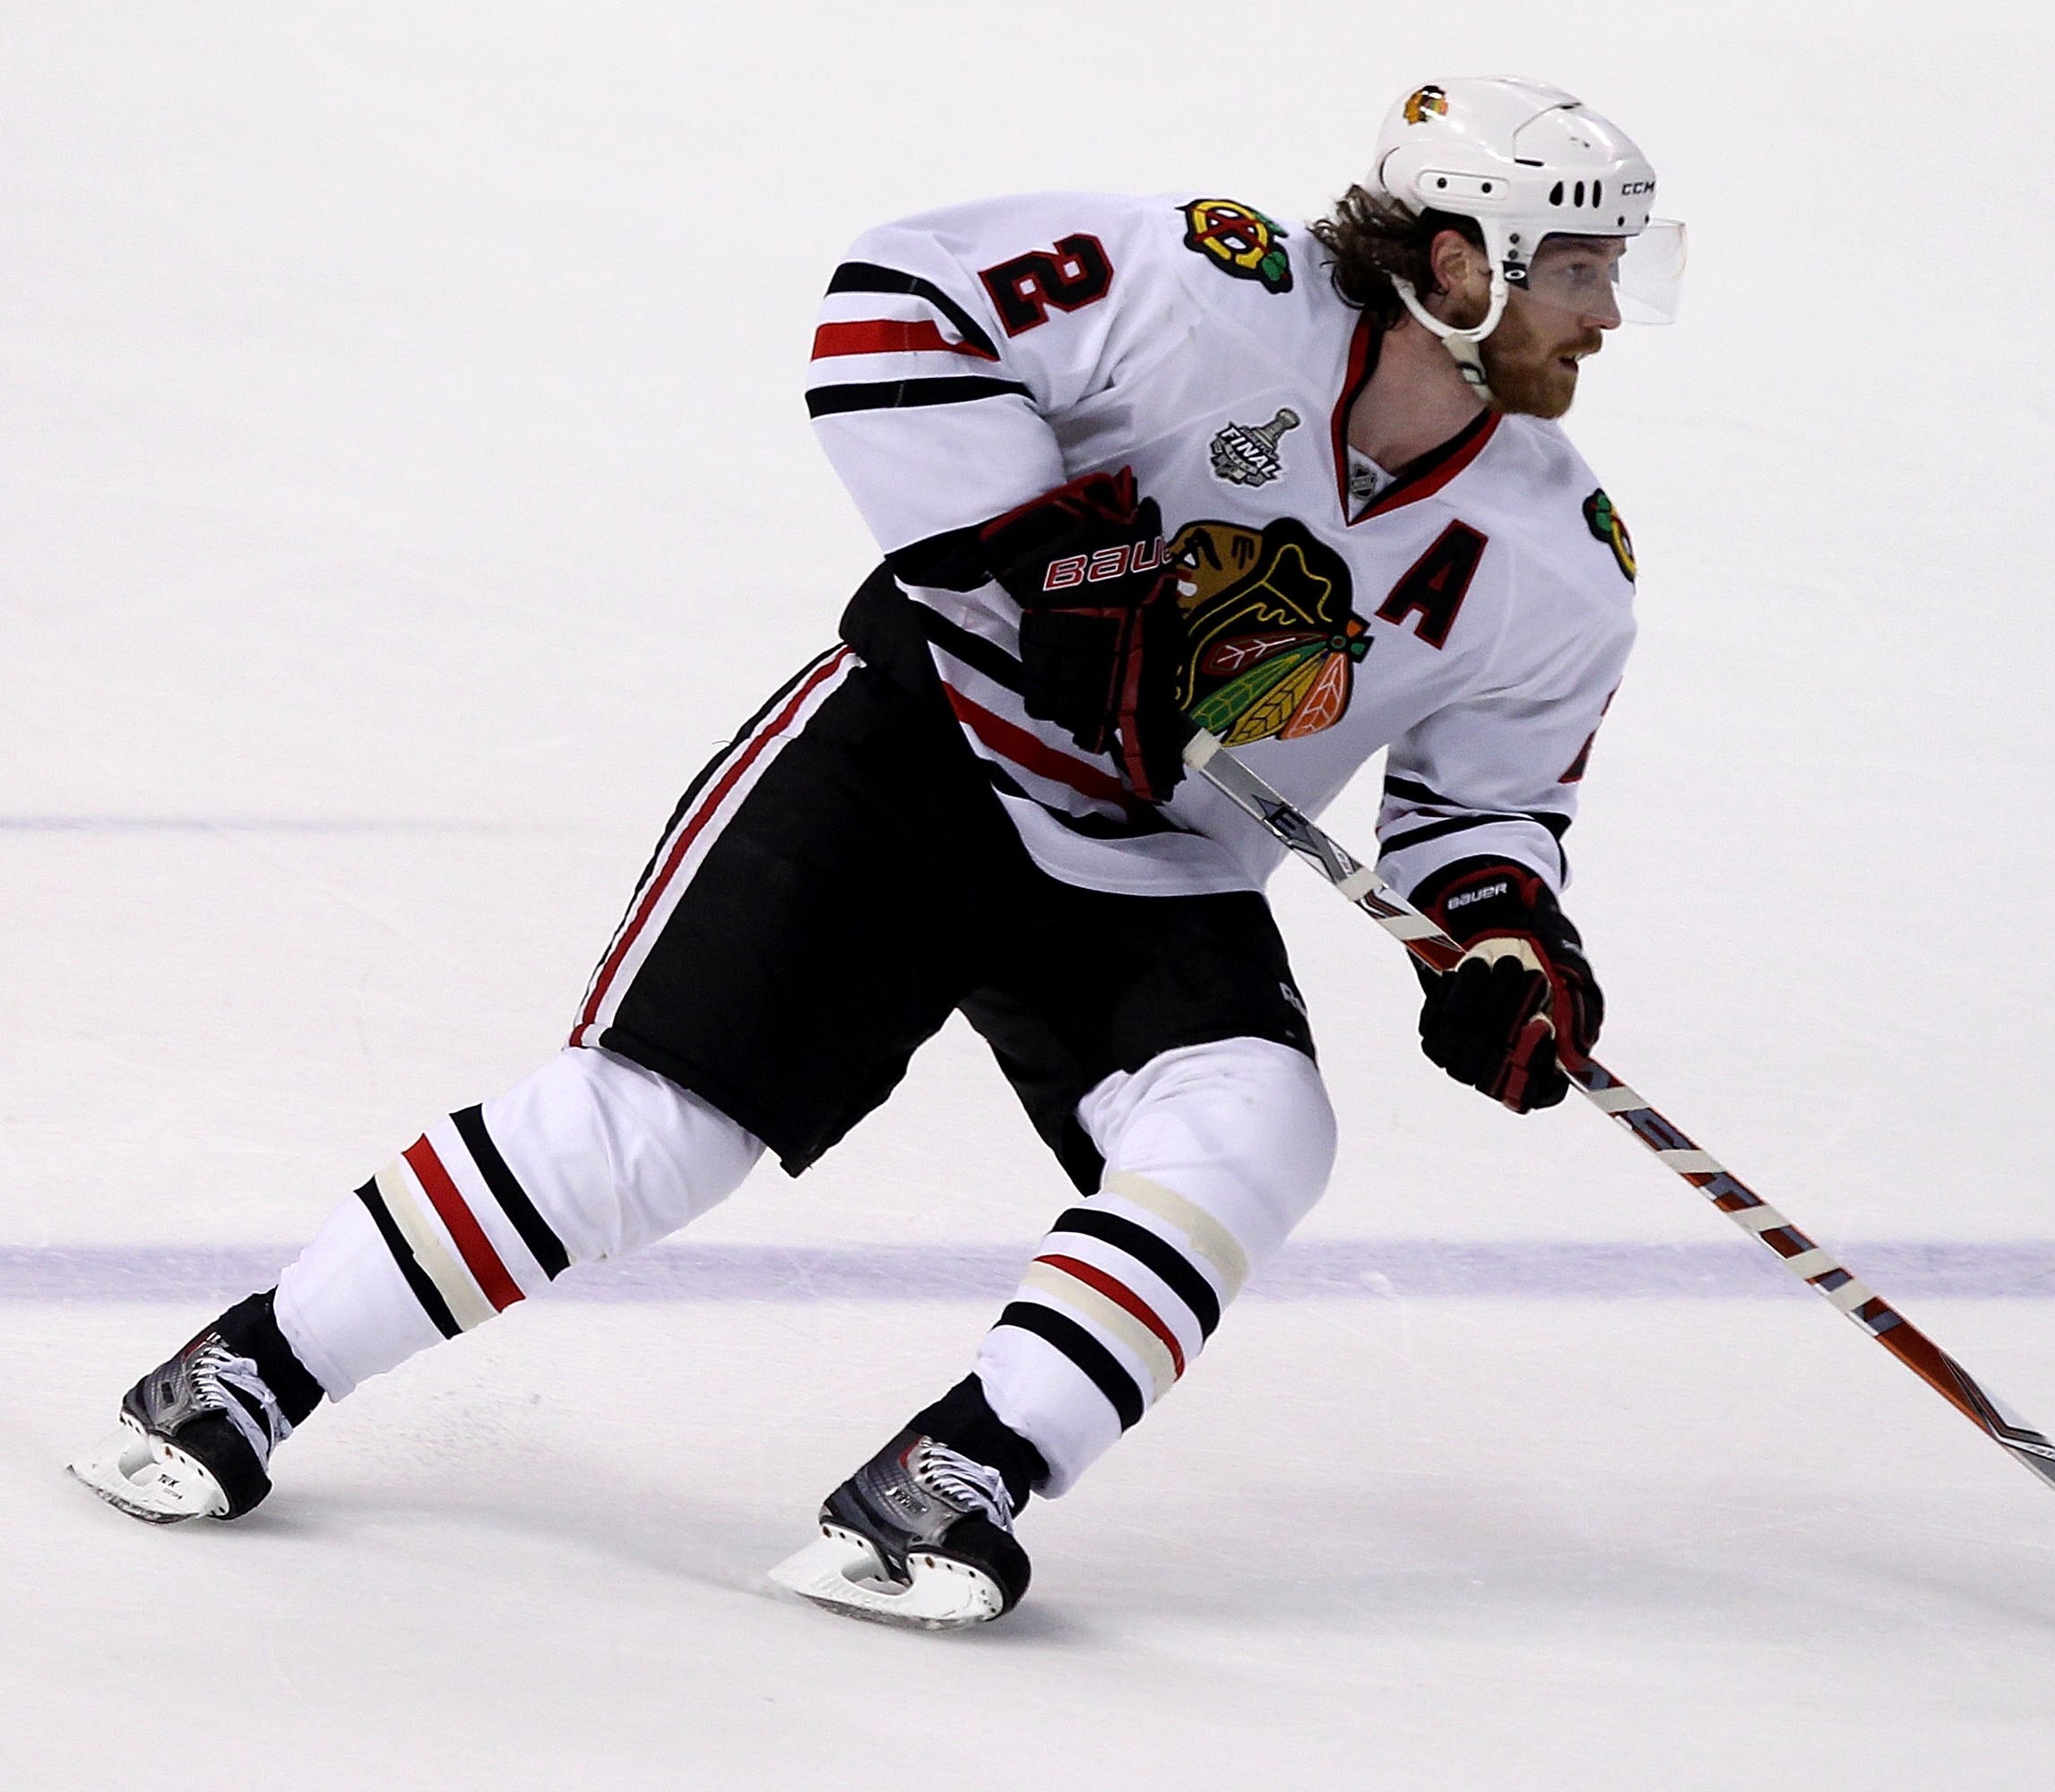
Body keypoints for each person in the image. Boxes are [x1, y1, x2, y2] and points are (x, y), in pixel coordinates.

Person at [71, 74, 1683, 1630]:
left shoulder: (1562, 558)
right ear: (1458, 262)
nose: (1610, 311)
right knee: (654, 1134)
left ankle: (950, 1479)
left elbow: (1483, 813)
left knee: (1257, 1123)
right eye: (1581, 268)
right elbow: (897, 303)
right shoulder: (1213, 286)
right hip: (925, 753)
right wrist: (1039, 563)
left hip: (1151, 860)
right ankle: (245, 1369)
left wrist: (1506, 940)